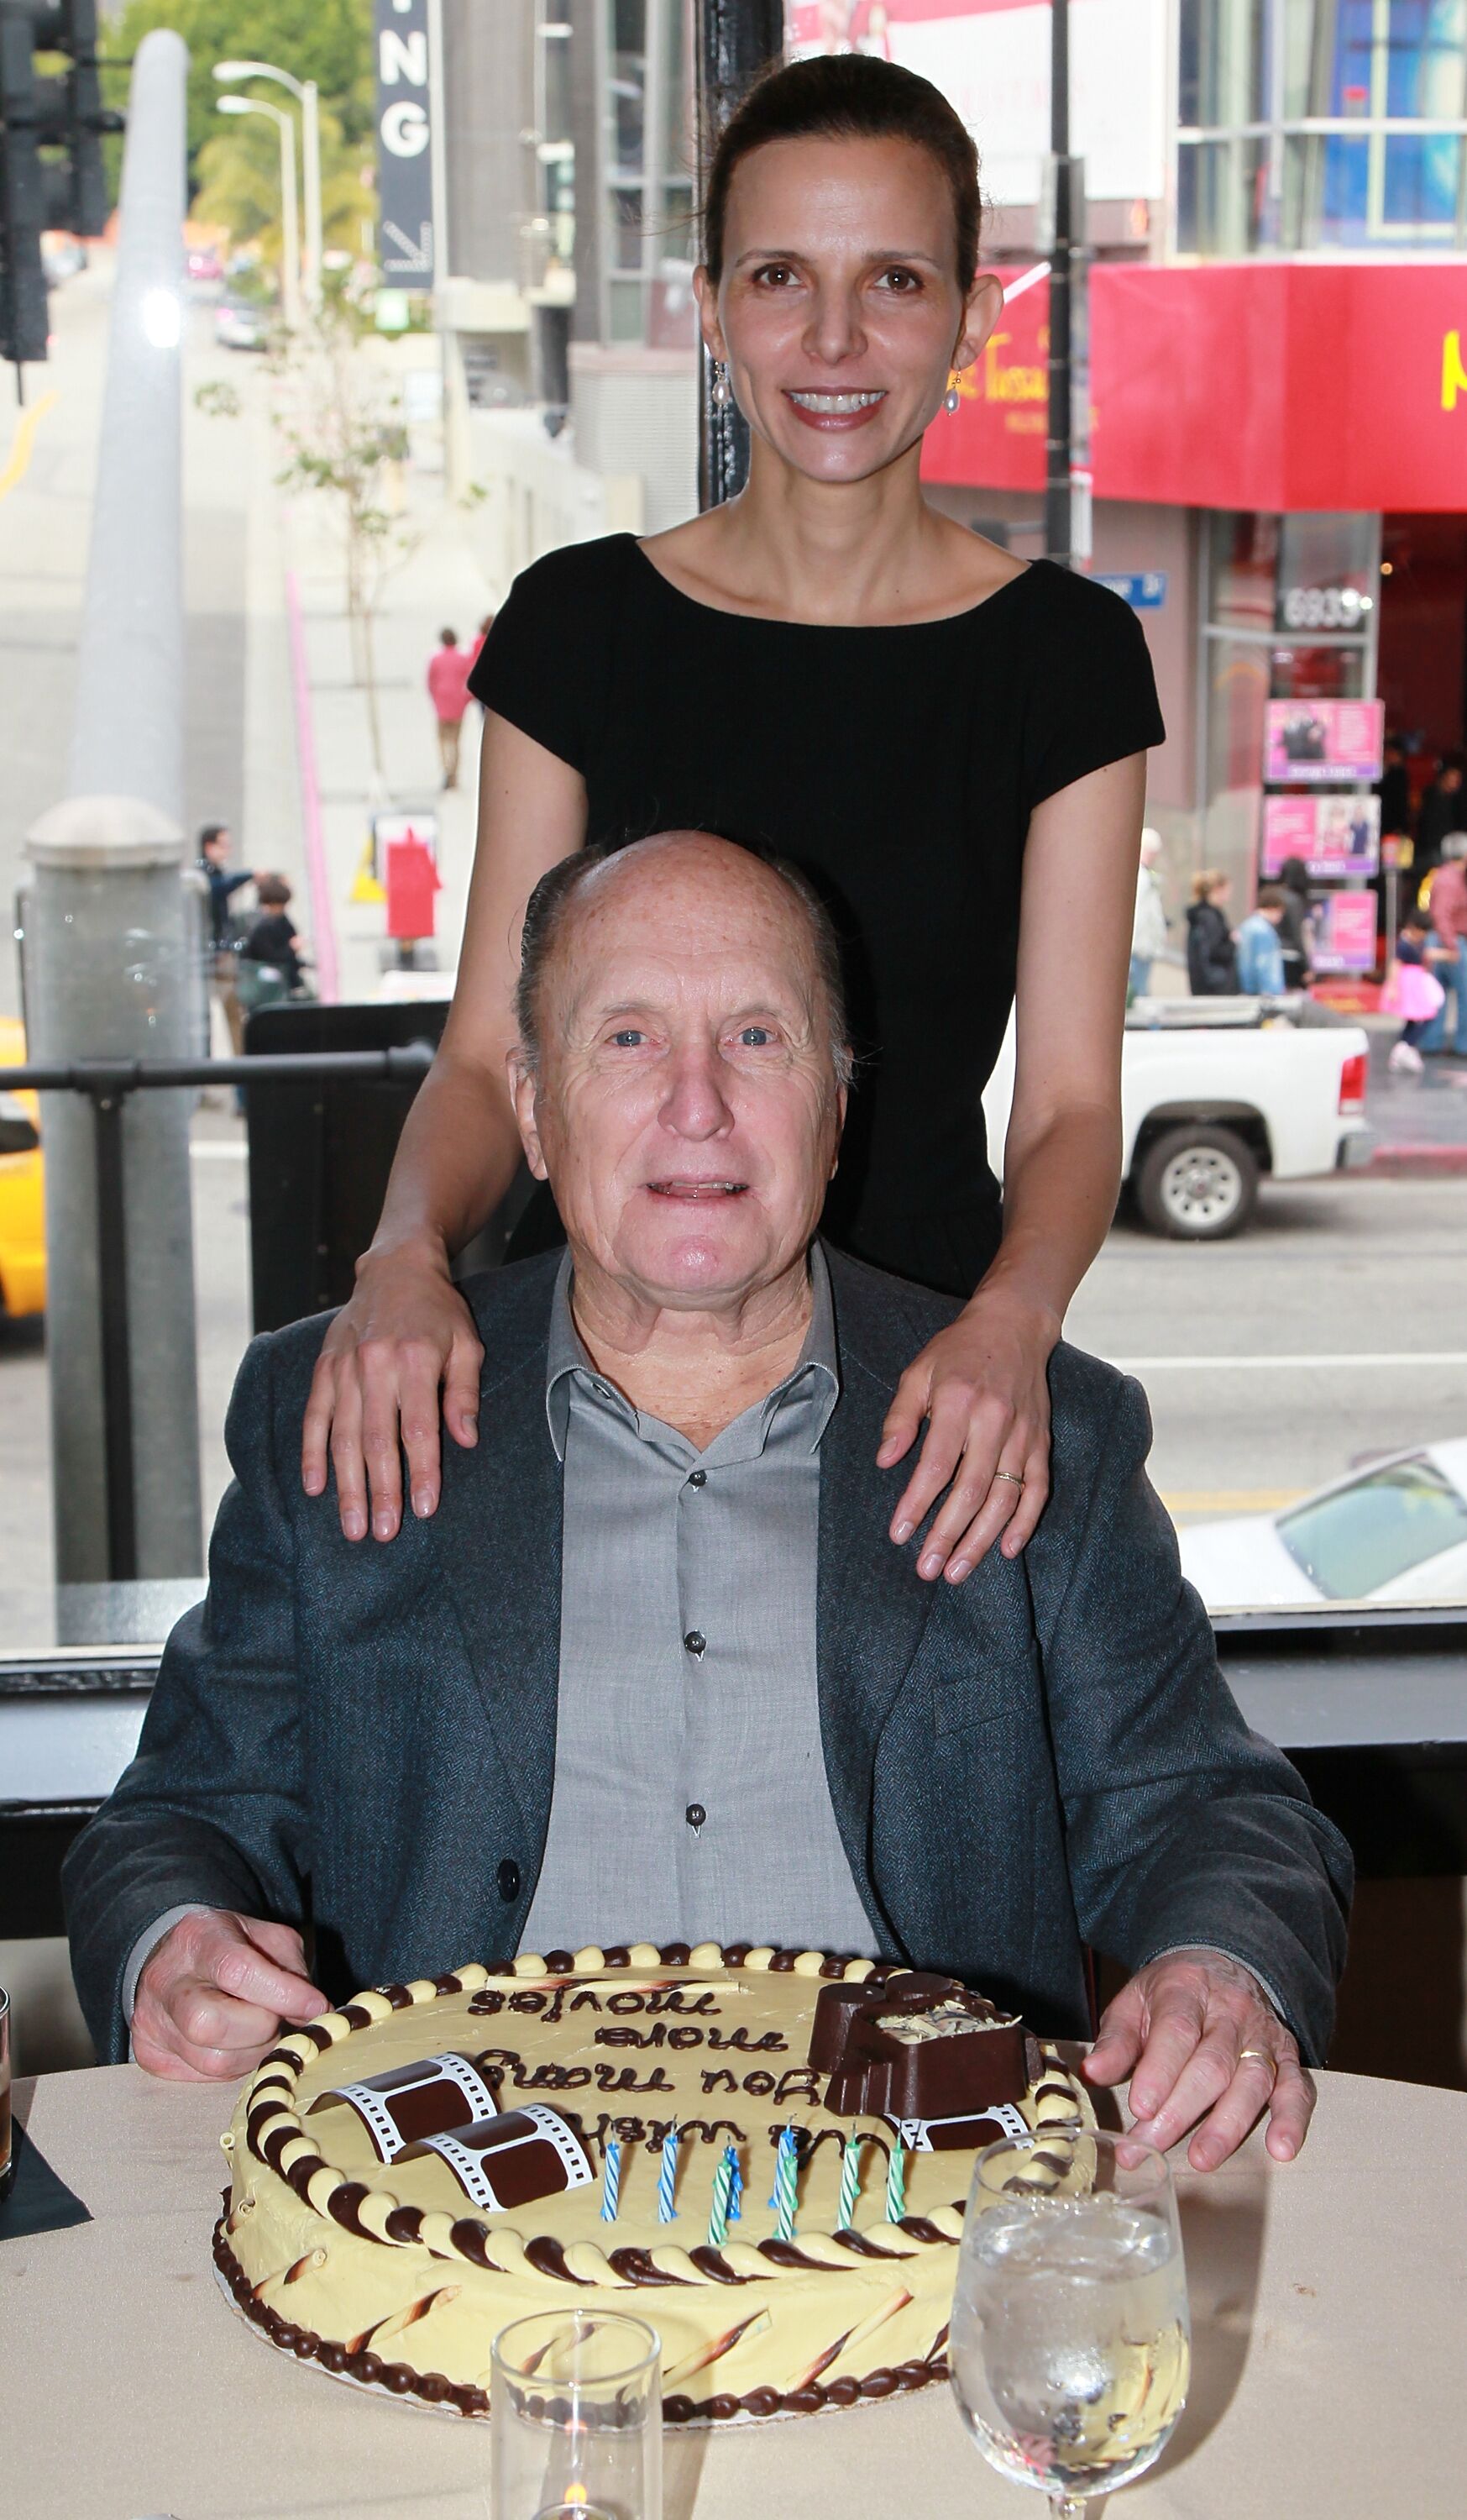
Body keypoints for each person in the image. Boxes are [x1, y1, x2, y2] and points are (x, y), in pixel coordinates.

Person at [63, 833, 1350, 2176]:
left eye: (755, 1037)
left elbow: (1211, 1807)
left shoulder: (1035, 1427)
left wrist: (1218, 1968)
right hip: (452, 2231)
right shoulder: (341, 1410)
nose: (695, 1104)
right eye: (624, 1039)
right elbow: (180, 1819)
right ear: (531, 1110)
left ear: (836, 1109)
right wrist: (176, 1941)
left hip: (924, 2242)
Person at [299, 53, 1166, 1592]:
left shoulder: (1065, 658)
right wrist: (403, 1260)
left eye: (893, 280)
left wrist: (1010, 1329)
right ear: (711, 309)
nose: (834, 341)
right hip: (600, 1354)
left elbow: (1067, 1112)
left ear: (970, 317)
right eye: (780, 277)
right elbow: (487, 1064)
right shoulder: (579, 625)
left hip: (917, 1385)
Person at [197, 822, 256, 1058]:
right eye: (224, 845)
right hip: (214, 954)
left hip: (220, 950)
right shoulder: (203, 876)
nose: (227, 851)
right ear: (209, 846)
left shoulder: (215, 873)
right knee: (226, 1008)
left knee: (233, 1009)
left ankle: (239, 1054)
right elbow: (218, 890)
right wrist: (249, 875)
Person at [1383, 908, 1446, 1076]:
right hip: (1408, 983)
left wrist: (1447, 955)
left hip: (1417, 981)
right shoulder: (1404, 943)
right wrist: (1393, 987)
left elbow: (1428, 954)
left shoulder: (1418, 943)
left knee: (1415, 1018)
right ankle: (1404, 1047)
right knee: (1424, 1015)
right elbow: (1395, 964)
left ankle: (1404, 1047)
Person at [1422, 832, 1467, 1056]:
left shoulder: (1446, 876)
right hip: (1451, 941)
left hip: (1442, 940)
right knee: (1465, 994)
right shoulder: (1451, 879)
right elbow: (1442, 915)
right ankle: (1463, 1044)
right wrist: (1453, 946)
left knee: (1436, 995)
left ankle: (1431, 1042)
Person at [241, 876, 308, 999]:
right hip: (269, 985)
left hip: (285, 978)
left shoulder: (281, 921)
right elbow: (271, 957)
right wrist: (291, 948)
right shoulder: (262, 927)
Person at [427, 627, 474, 789]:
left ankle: (446, 767)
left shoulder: (436, 660)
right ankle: (453, 772)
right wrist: (467, 700)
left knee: (443, 739)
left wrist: (436, 699)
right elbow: (470, 681)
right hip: (458, 705)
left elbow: (430, 682)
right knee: (455, 740)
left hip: (442, 704)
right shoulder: (463, 659)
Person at [1129, 827, 1168, 1000]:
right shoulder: (1140, 877)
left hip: (1144, 946)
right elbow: (1139, 914)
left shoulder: (1146, 876)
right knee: (1136, 995)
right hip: (1138, 946)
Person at [1186, 870, 1238, 995]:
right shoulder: (1210, 917)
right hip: (1215, 984)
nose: (1229, 895)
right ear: (1218, 890)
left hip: (1204, 982)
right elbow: (1214, 951)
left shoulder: (1201, 915)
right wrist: (1232, 942)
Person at [1416, 752, 1464, 879]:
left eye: (1458, 780)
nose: (1457, 783)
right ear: (1444, 777)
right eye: (1454, 778)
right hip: (1434, 850)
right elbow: (1429, 827)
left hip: (1445, 849)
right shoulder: (1433, 798)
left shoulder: (1453, 799)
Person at [1234, 885, 1288, 997]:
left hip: (1247, 988)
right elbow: (1264, 963)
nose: (1281, 917)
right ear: (1273, 908)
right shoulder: (1264, 931)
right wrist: (1268, 990)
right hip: (1264, 992)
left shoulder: (1247, 926)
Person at [1275, 855, 1314, 992]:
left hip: (1274, 954)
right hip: (1291, 958)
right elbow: (1298, 935)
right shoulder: (1295, 901)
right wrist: (1307, 966)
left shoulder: (1273, 895)